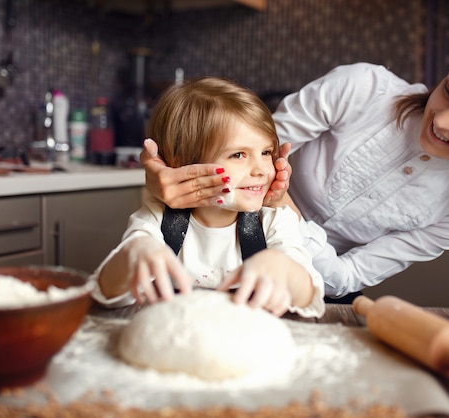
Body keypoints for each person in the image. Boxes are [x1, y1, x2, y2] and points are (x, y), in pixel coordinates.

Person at [139, 26, 449, 302]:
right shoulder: (361, 87)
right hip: (221, 244)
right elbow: (250, 151)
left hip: (317, 288)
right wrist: (175, 179)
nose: (443, 118)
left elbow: (346, 277)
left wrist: (288, 220)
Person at [92, 77, 325, 318]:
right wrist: (133, 254)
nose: (261, 170)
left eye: (266, 152)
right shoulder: (157, 219)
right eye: (238, 155)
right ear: (183, 163)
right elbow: (105, 292)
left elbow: (310, 298)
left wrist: (285, 269)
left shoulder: (274, 221)